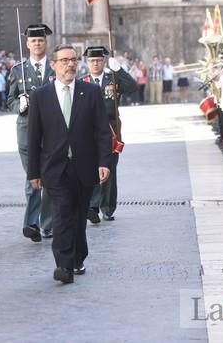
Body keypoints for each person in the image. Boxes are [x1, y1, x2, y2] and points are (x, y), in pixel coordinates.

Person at [27, 44, 111, 284]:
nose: (70, 64)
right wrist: (33, 172)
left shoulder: (91, 92)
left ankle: (78, 257)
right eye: (64, 60)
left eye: (73, 60)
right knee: (62, 214)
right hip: (55, 167)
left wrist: (104, 162)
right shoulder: (40, 96)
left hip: (84, 165)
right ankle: (63, 264)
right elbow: (34, 137)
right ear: (53, 65)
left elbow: (102, 131)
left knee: (78, 216)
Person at [7, 24, 55, 242]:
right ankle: (32, 223)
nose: (37, 43)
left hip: (54, 131)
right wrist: (20, 104)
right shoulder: (18, 70)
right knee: (33, 177)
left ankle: (46, 223)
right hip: (27, 130)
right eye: (33, 40)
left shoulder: (56, 68)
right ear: (27, 44)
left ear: (46, 43)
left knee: (51, 178)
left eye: (41, 40)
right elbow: (9, 101)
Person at [79, 45, 137, 223]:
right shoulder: (82, 82)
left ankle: (107, 208)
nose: (95, 63)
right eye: (92, 61)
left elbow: (132, 88)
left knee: (110, 169)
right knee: (91, 169)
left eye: (98, 60)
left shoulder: (112, 79)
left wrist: (119, 70)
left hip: (111, 129)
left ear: (103, 62)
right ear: (87, 63)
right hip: (88, 132)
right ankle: (93, 206)